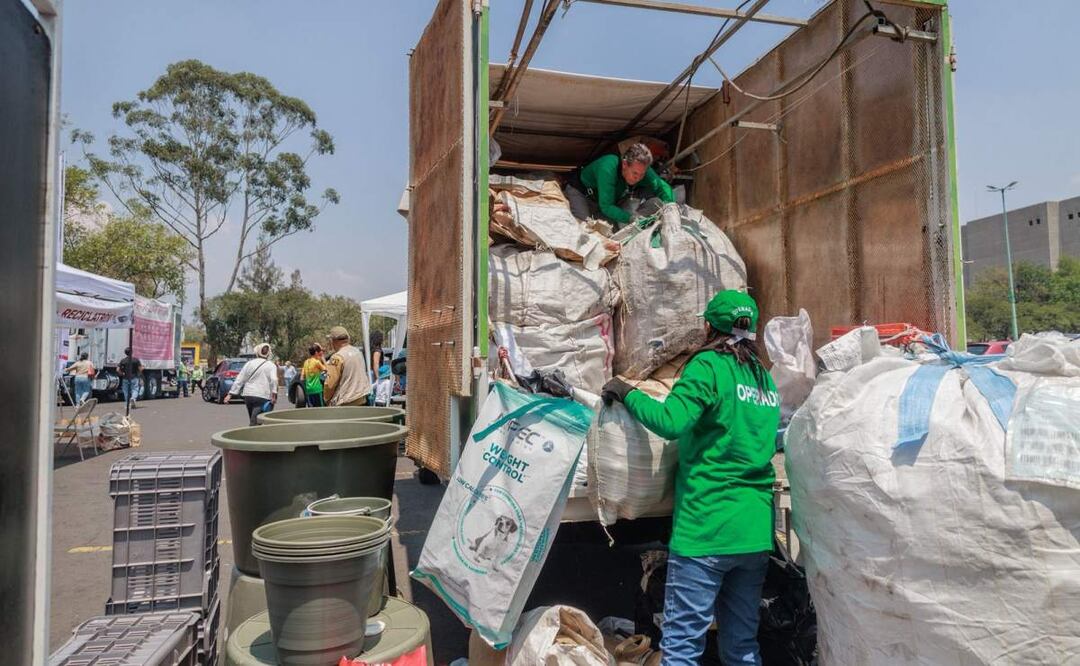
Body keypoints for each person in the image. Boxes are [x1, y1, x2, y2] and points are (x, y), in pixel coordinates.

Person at [601, 290, 780, 666]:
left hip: (707, 529)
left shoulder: (708, 366)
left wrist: (627, 393)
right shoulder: (763, 378)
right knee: (742, 645)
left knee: (682, 646)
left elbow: (671, 422)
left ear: (708, 326)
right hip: (753, 531)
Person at [564, 143, 675, 229]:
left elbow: (661, 186)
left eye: (642, 174)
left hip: (603, 202)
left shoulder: (641, 169)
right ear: (625, 164)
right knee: (585, 229)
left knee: (612, 232)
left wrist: (671, 206)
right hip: (581, 194)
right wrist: (631, 218)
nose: (638, 178)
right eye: (635, 174)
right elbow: (606, 206)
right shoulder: (608, 167)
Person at [225, 343, 278, 426]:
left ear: (257, 352)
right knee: (255, 421)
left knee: (253, 417)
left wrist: (230, 394)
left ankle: (254, 432)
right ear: (268, 353)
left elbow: (240, 379)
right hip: (262, 396)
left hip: (248, 395)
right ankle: (253, 434)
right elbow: (274, 379)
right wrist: (274, 394)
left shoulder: (249, 363)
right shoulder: (271, 365)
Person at [323, 326, 371, 407]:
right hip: (361, 399)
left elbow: (330, 384)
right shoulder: (357, 352)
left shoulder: (337, 357)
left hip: (346, 402)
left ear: (333, 341)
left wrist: (326, 399)